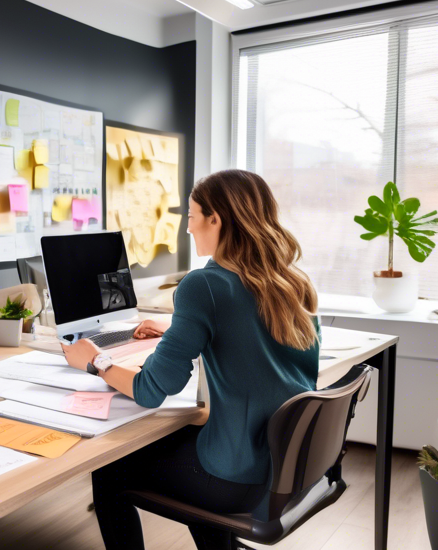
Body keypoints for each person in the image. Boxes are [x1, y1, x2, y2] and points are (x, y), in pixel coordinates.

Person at [63, 170, 321, 550]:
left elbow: (150, 390)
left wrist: (95, 360)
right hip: (282, 469)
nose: (188, 227)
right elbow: (247, 333)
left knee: (108, 470)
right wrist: (178, 331)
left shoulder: (203, 285)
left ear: (215, 219)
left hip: (237, 478)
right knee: (190, 446)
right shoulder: (292, 281)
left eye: (191, 215)